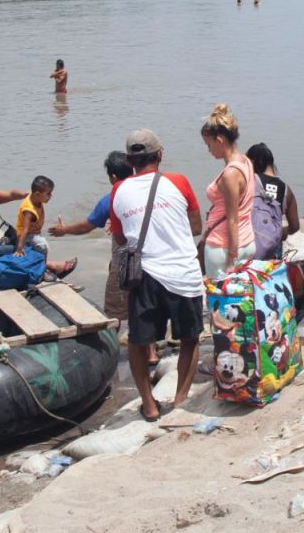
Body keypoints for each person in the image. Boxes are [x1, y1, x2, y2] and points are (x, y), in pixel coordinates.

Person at [109, 129, 205, 421]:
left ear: (129, 160)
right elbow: (196, 226)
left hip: (144, 275)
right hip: (183, 274)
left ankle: (149, 406)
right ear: (160, 155)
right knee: (190, 339)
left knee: (139, 342)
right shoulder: (179, 182)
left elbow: (122, 239)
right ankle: (179, 402)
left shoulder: (117, 191)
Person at [49, 151, 135, 321]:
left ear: (112, 177)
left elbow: (86, 226)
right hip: (152, 259)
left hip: (125, 261)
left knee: (113, 314)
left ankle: (114, 344)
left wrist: (64, 230)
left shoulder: (110, 199)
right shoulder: (147, 192)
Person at [199, 104, 256, 277]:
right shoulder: (246, 161)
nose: (209, 150)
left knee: (220, 301)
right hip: (247, 240)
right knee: (242, 299)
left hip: (223, 247)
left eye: (209, 145)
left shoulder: (230, 174)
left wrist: (232, 258)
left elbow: (233, 219)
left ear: (220, 140)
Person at [245, 142, 301, 258]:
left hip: (248, 246)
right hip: (272, 253)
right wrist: (276, 233)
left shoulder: (251, 181)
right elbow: (295, 226)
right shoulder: (286, 190)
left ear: (253, 162)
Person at [15, 175, 76, 277]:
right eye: (48, 194)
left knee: (40, 244)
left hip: (33, 232)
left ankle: (43, 266)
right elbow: (25, 230)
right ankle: (42, 270)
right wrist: (19, 248)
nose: (51, 196)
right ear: (38, 194)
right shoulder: (29, 210)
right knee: (43, 245)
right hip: (24, 236)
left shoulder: (36, 199)